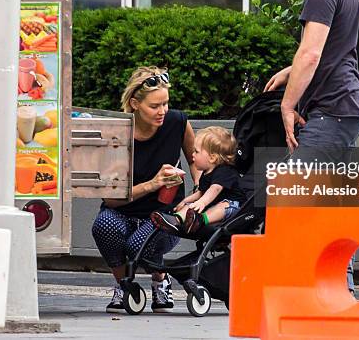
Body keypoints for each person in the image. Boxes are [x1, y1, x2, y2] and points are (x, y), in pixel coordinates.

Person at [264, 0, 359, 293]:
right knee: (322, 198)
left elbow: (311, 53)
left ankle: (310, 287)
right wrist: (287, 71)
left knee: (289, 196)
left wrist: (287, 105)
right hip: (348, 108)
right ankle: (336, 286)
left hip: (332, 108)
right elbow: (332, 48)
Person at [91, 66, 199, 313]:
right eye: (155, 106)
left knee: (140, 243)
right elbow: (111, 199)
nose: (162, 111)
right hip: (123, 211)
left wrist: (199, 192)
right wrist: (154, 183)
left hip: (164, 212)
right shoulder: (116, 134)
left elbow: (194, 159)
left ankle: (160, 281)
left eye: (166, 104)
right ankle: (124, 286)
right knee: (104, 226)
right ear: (135, 103)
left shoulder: (177, 122)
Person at [151, 126, 246, 235]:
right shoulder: (206, 172)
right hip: (213, 204)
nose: (192, 154)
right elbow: (201, 192)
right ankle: (175, 220)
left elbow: (215, 189)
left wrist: (202, 202)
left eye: (196, 151)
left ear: (212, 158)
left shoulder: (225, 171)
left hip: (235, 208)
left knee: (223, 205)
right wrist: (185, 201)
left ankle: (199, 220)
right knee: (191, 206)